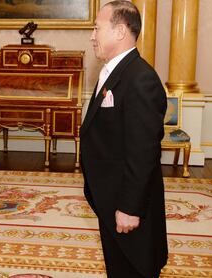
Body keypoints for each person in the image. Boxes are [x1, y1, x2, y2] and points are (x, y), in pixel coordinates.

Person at [80, 1, 168, 277]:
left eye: (97, 28)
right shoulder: (113, 71)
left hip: (128, 206)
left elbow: (144, 151)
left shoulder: (141, 78)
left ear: (119, 32)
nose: (92, 36)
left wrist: (130, 208)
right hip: (110, 197)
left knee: (135, 267)